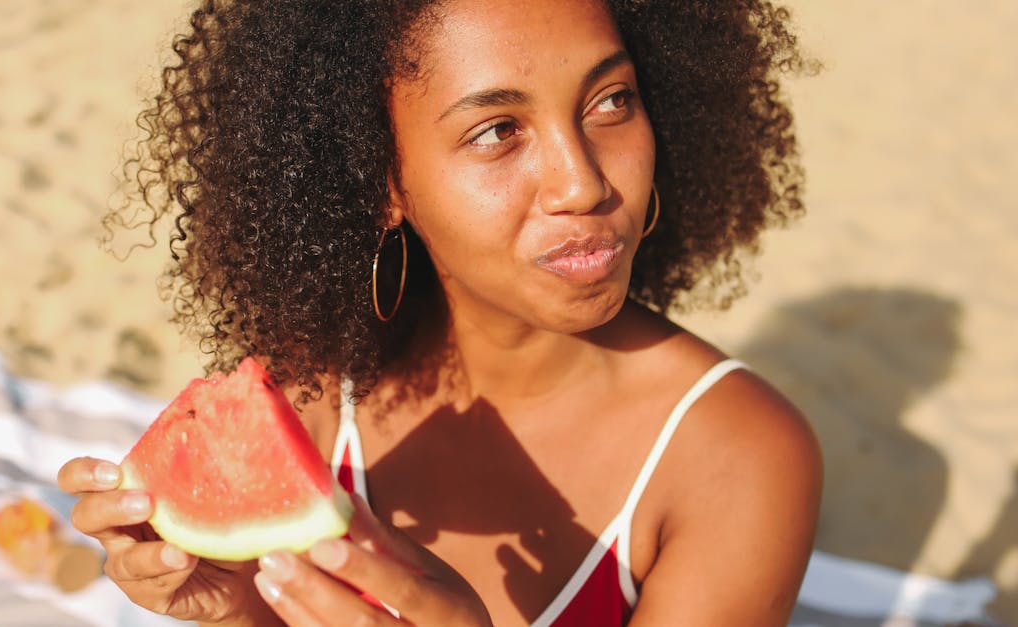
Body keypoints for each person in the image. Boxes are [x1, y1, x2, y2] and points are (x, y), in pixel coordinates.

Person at [58, 0, 822, 624]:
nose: (582, 183)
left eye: (611, 100)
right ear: (380, 179)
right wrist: (237, 610)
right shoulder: (312, 387)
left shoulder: (739, 458)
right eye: (498, 131)